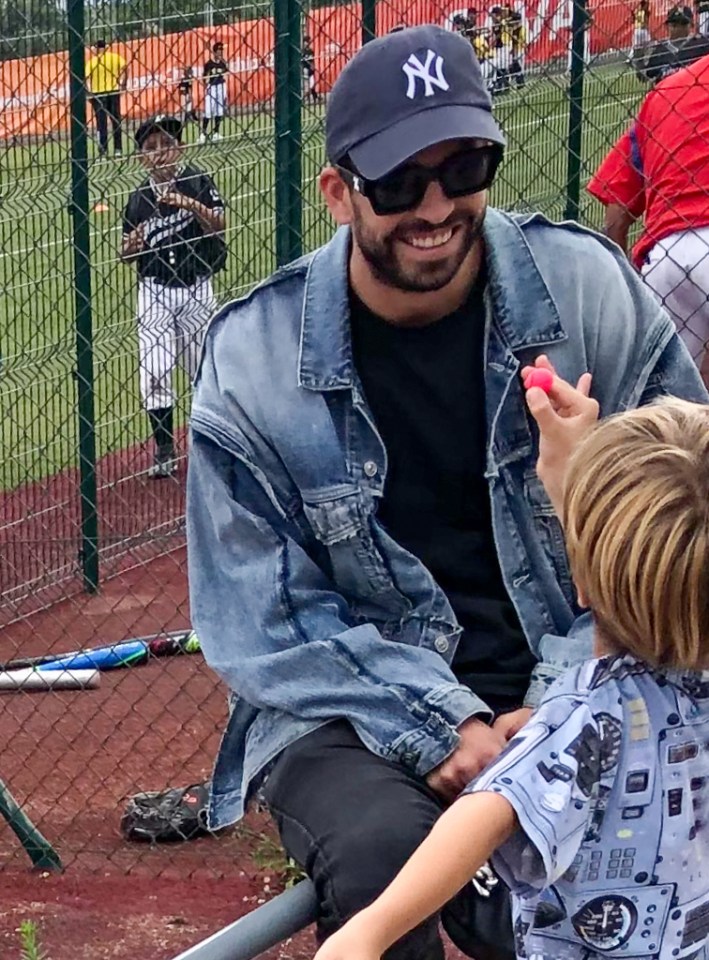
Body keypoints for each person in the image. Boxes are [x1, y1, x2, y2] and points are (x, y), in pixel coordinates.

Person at [187, 25, 706, 960]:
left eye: (463, 166)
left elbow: (679, 523)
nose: (435, 205)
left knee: (621, 854)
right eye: (397, 182)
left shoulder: (586, 288)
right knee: (390, 860)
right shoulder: (251, 364)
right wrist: (443, 721)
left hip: (586, 662)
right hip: (347, 696)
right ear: (339, 192)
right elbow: (262, 623)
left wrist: (556, 698)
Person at [312, 395, 709, 960]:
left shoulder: (590, 713)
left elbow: (483, 814)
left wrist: (370, 930)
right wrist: (568, 477)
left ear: (581, 584)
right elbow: (645, 569)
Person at [587, 54, 709, 385]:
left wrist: (622, 285)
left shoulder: (669, 90)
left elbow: (617, 205)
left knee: (670, 404)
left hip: (664, 260)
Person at [121, 115, 227, 478]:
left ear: (179, 149)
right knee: (154, 369)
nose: (160, 153)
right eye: (151, 148)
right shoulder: (137, 200)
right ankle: (165, 448)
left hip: (196, 287)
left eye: (167, 144)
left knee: (203, 367)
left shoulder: (197, 181)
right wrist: (130, 246)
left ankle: (210, 439)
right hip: (155, 291)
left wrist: (188, 204)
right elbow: (125, 252)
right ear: (141, 158)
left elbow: (219, 224)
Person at [638, 6, 709, 81]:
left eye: (683, 24)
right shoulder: (659, 51)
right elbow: (646, 77)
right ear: (667, 26)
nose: (679, 29)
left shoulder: (701, 45)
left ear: (692, 25)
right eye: (674, 25)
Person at [84, 38, 127, 158]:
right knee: (116, 121)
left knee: (101, 124)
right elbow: (124, 68)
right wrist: (122, 83)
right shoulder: (115, 57)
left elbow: (87, 78)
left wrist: (90, 91)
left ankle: (103, 151)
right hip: (113, 91)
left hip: (99, 94)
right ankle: (118, 149)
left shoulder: (92, 62)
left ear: (96, 48)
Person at [200, 42, 228, 142]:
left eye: (221, 51)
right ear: (214, 52)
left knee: (219, 110)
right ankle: (203, 134)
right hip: (212, 87)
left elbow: (226, 70)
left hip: (221, 86)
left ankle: (216, 133)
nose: (220, 53)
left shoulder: (222, 63)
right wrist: (206, 85)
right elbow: (204, 77)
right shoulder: (209, 64)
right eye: (219, 51)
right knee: (208, 111)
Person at [508, 11, 526, 86]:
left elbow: (522, 40)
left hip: (520, 49)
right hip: (514, 49)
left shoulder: (522, 29)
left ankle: (521, 82)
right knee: (514, 65)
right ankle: (516, 80)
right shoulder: (513, 29)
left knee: (519, 66)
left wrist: (516, 39)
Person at [301, 35, 320, 104]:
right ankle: (308, 98)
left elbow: (312, 60)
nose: (307, 43)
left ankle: (313, 97)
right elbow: (302, 61)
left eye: (308, 41)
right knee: (307, 85)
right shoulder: (302, 51)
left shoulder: (311, 51)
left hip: (310, 70)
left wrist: (312, 66)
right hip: (305, 69)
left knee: (311, 84)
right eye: (306, 42)